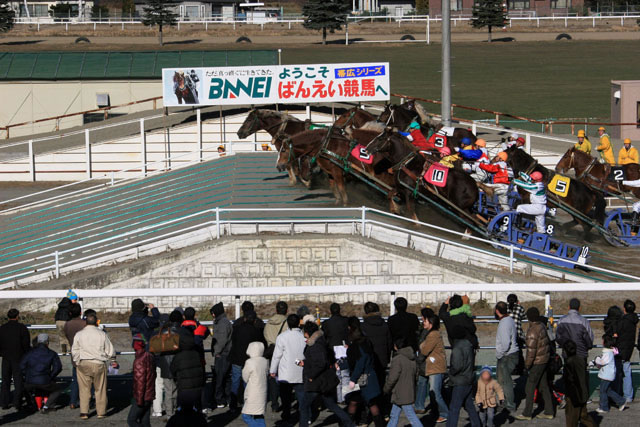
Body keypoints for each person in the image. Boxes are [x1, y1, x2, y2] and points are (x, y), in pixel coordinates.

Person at [300, 321, 354, 427]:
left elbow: (320, 363)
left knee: (304, 406)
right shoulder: (321, 341)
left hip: (316, 381)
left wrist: (311, 375)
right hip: (323, 381)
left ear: (307, 333)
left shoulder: (315, 345)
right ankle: (348, 422)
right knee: (331, 404)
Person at [72, 312, 116, 420]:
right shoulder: (102, 334)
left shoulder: (79, 334)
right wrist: (112, 359)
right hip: (99, 363)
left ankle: (84, 412)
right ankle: (101, 412)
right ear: (96, 322)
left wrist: (77, 361)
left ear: (85, 322)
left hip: (83, 362)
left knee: (84, 389)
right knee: (100, 389)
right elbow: (110, 350)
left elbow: (75, 350)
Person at [515, 307, 554, 421]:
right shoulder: (542, 326)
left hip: (537, 362)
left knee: (529, 387)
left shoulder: (532, 331)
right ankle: (549, 411)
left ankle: (527, 413)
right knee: (544, 386)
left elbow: (531, 352)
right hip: (544, 360)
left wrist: (527, 365)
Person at [346, 316, 384, 427]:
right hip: (370, 377)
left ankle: (349, 423)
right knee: (372, 403)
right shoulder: (366, 342)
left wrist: (353, 379)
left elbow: (358, 364)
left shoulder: (355, 347)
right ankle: (379, 424)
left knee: (353, 402)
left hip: (360, 378)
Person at [270, 314, 306, 423]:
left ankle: (286, 415)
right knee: (301, 396)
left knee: (285, 397)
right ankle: (304, 416)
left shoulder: (282, 337)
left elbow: (277, 355)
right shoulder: (303, 336)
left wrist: (273, 370)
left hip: (286, 372)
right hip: (300, 370)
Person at [229, 310, 265, 411]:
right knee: (248, 382)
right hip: (249, 359)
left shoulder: (237, 329)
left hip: (236, 358)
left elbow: (233, 342)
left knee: (235, 381)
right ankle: (246, 403)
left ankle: (233, 404)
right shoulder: (256, 331)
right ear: (254, 320)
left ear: (244, 319)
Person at [446, 325, 481, 427]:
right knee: (469, 405)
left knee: (454, 408)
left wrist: (450, 372)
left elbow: (456, 366)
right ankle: (477, 424)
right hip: (469, 378)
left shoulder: (457, 348)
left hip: (460, 381)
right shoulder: (469, 345)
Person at [556, 298, 594, 388]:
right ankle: (583, 399)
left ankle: (569, 397)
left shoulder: (561, 320)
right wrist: (587, 347)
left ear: (569, 307)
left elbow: (558, 337)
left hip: (567, 353)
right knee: (581, 378)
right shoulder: (583, 321)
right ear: (579, 308)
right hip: (581, 354)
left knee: (569, 377)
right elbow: (589, 339)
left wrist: (564, 345)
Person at [20, 333, 62, 413]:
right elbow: (58, 367)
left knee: (26, 389)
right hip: (45, 380)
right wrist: (51, 376)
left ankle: (32, 404)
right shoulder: (52, 353)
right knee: (57, 390)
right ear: (47, 342)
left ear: (38, 342)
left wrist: (28, 375)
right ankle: (47, 406)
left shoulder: (29, 353)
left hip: (30, 381)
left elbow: (21, 366)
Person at [384, 338, 422, 427]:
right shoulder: (412, 358)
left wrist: (386, 388)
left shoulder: (397, 359)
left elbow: (392, 378)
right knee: (394, 415)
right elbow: (416, 375)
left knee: (411, 416)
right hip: (408, 391)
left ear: (396, 347)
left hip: (400, 392)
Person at [419, 311, 449, 423]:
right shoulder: (434, 334)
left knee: (435, 391)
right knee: (435, 391)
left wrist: (421, 345)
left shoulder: (433, 335)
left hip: (435, 367)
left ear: (430, 322)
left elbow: (425, 349)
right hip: (435, 366)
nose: (423, 322)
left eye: (425, 320)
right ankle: (439, 412)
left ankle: (444, 413)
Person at [0, 308, 30, 411]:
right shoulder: (22, 328)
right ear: (17, 316)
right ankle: (17, 402)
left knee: (5, 381)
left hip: (6, 357)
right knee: (18, 381)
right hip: (18, 357)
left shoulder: (2, 328)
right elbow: (26, 344)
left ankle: (4, 402)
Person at [170, 332, 205, 415]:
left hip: (184, 387)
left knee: (183, 411)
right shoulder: (197, 354)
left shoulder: (178, 356)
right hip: (197, 386)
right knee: (197, 408)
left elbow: (172, 370)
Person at [562, 340, 595, 427]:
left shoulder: (569, 363)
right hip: (583, 392)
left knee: (571, 419)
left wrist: (569, 396)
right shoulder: (581, 360)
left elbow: (570, 381)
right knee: (584, 416)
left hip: (574, 395)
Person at [494, 301, 519, 413]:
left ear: (497, 311)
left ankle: (509, 404)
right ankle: (504, 402)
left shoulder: (503, 324)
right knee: (503, 380)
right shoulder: (510, 320)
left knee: (505, 381)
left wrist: (499, 354)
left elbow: (505, 343)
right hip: (511, 354)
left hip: (506, 355)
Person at [263, 301, 288, 412]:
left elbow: (266, 335)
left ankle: (274, 403)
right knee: (284, 378)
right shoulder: (287, 322)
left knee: (272, 377)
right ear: (286, 310)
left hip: (272, 351)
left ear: (276, 310)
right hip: (284, 353)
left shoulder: (269, 323)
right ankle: (285, 401)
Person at [360, 301, 392, 389]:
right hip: (382, 358)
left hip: (368, 359)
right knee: (381, 381)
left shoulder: (363, 326)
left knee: (369, 384)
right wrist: (388, 357)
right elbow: (389, 343)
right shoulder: (384, 325)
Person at [157, 310, 183, 418]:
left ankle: (169, 413)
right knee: (178, 389)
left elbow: (157, 350)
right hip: (179, 364)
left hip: (166, 365)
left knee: (168, 390)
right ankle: (177, 409)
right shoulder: (182, 332)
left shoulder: (162, 332)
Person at [127, 333, 156, 427]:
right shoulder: (150, 356)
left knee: (131, 420)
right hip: (149, 394)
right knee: (145, 420)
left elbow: (140, 382)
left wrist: (139, 400)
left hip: (142, 396)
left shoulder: (139, 361)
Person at [595, 334, 627, 413]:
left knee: (603, 390)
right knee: (608, 390)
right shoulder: (610, 352)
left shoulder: (607, 353)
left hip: (607, 375)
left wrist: (596, 359)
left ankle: (604, 407)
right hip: (608, 374)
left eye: (603, 340)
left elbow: (603, 362)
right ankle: (621, 401)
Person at [209, 302, 232, 409]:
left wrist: (216, 352)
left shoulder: (222, 323)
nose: (212, 315)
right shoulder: (222, 322)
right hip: (225, 353)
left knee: (220, 377)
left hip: (222, 354)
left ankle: (220, 399)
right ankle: (227, 398)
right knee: (226, 377)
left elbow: (221, 341)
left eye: (213, 313)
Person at [64, 303, 86, 409]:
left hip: (74, 354)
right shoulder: (85, 324)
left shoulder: (67, 325)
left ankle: (73, 401)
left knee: (75, 379)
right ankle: (88, 400)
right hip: (86, 354)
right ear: (80, 312)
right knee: (88, 379)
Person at [242, 342, 268, 427]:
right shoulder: (265, 361)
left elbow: (245, 377)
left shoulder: (249, 362)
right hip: (262, 391)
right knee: (259, 414)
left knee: (246, 415)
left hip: (252, 391)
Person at [619, 299, 638, 403]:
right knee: (627, 370)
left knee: (619, 371)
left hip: (621, 349)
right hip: (629, 348)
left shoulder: (623, 321)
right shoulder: (633, 320)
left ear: (625, 309)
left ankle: (620, 394)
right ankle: (628, 396)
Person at [54, 290, 77, 355]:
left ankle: (64, 350)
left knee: (62, 336)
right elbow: (72, 314)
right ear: (71, 299)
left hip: (58, 321)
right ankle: (70, 350)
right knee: (68, 335)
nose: (76, 301)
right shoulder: (70, 305)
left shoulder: (61, 305)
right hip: (66, 321)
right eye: (75, 299)